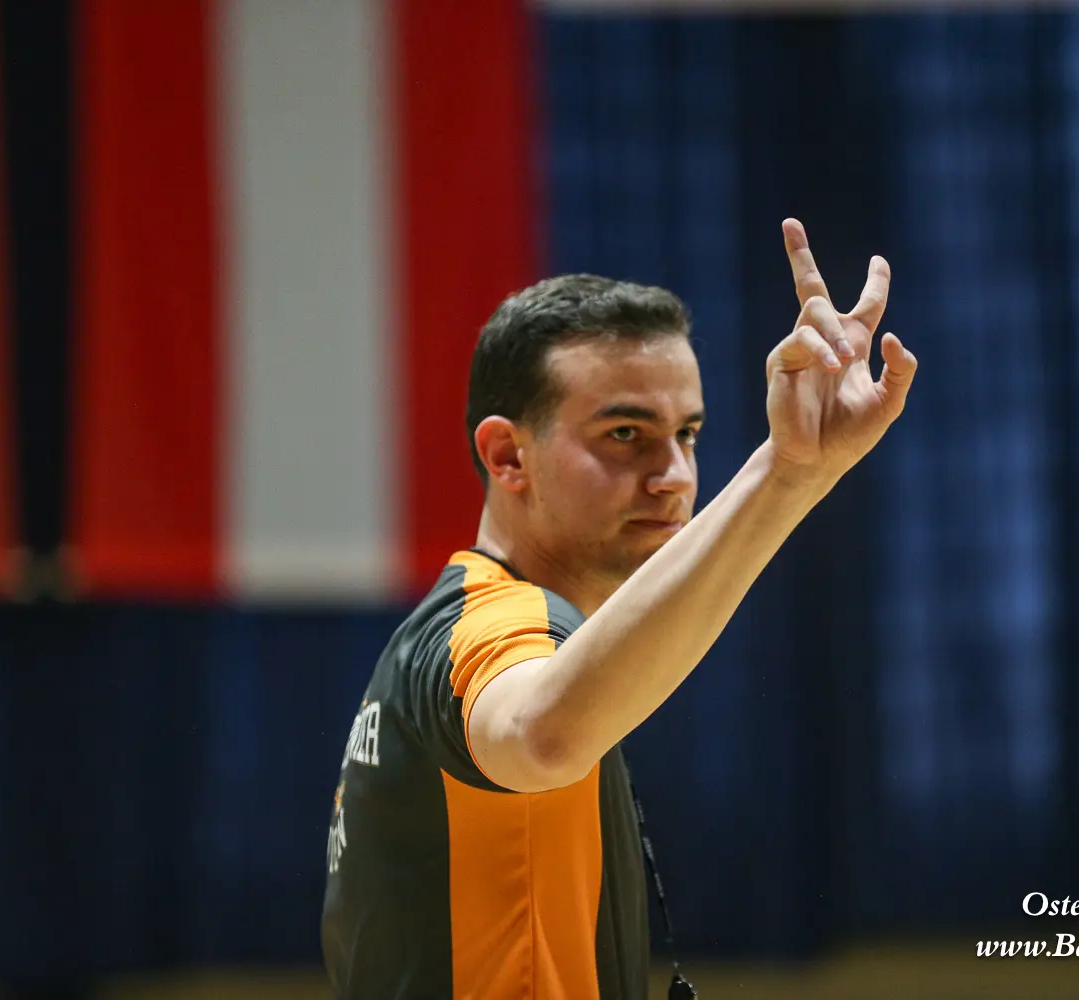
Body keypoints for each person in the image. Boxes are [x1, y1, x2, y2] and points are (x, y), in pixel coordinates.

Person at [320, 219, 918, 1000]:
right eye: (626, 433)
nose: (674, 475)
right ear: (507, 456)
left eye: (688, 434)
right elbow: (543, 736)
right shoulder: (493, 624)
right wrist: (787, 475)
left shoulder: (449, 628)